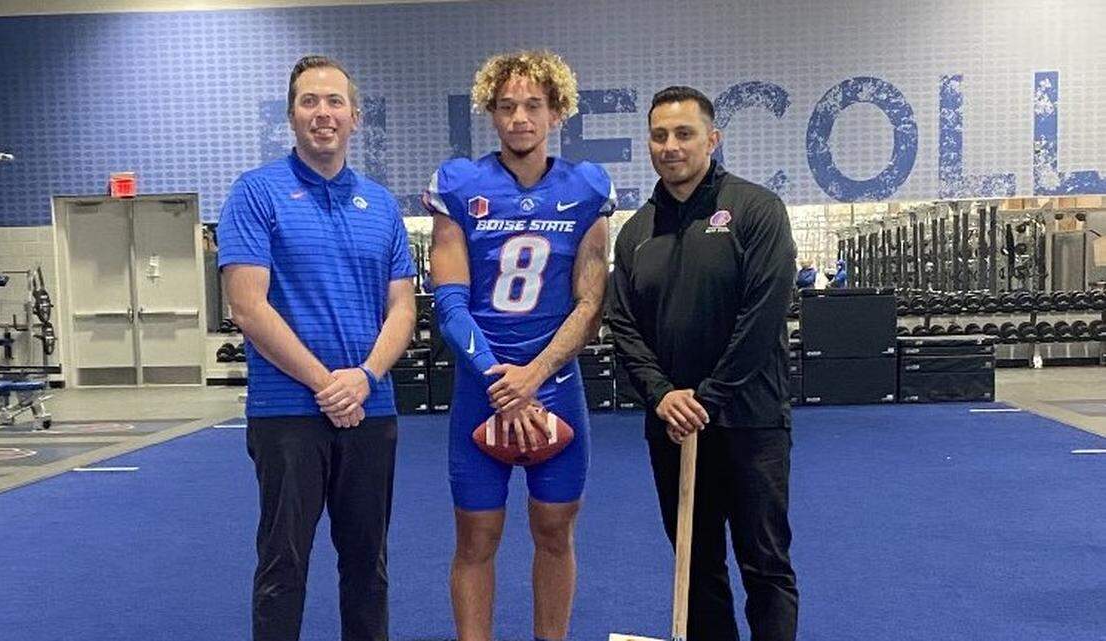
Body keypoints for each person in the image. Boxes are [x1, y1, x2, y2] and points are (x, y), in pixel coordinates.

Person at [217, 54, 417, 641]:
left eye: (334, 102)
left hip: (370, 410)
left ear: (355, 117)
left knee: (368, 565)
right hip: (287, 415)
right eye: (309, 101)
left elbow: (402, 307)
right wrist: (327, 383)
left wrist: (365, 378)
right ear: (292, 116)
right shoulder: (256, 193)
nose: (322, 114)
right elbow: (248, 306)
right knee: (284, 565)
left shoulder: (380, 205)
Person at [422, 50, 614, 641]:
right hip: (484, 388)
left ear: (557, 112)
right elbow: (448, 302)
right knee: (476, 537)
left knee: (555, 532)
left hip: (553, 386)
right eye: (507, 107)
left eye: (533, 105)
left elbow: (591, 305)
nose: (520, 118)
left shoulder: (586, 188)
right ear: (492, 113)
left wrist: (532, 377)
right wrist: (500, 380)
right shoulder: (460, 184)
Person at [607, 86, 799, 641]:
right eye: (660, 135)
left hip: (749, 422)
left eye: (684, 134)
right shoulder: (637, 231)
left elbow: (762, 320)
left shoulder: (756, 210)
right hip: (670, 427)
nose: (671, 146)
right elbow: (624, 326)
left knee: (764, 565)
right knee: (696, 566)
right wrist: (663, 395)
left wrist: (707, 399)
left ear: (712, 139)